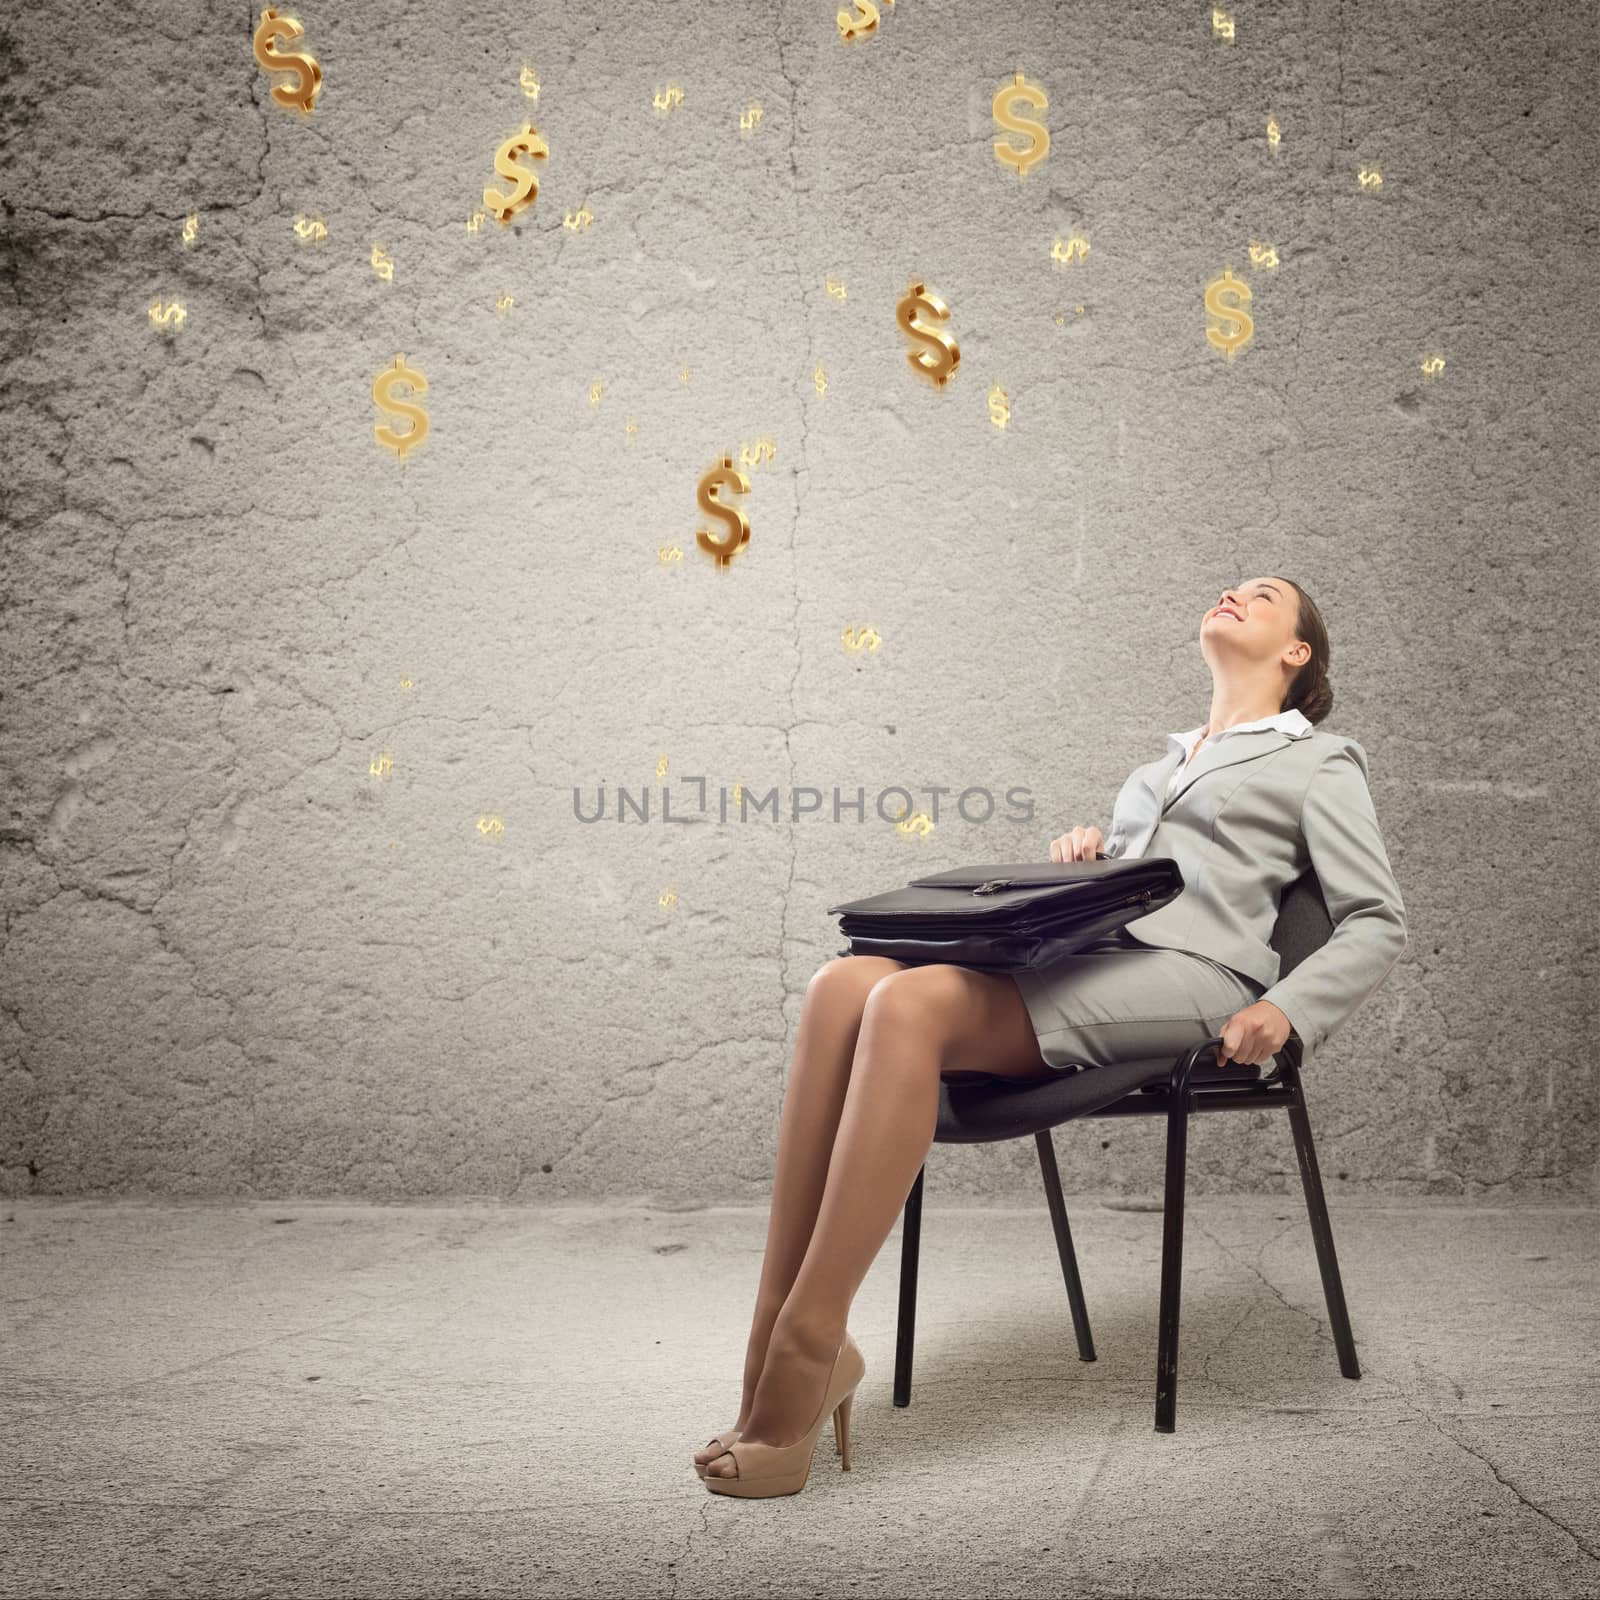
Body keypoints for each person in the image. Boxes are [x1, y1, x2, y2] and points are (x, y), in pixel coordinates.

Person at [695, 575, 1408, 1497]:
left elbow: (1376, 921)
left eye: (1261, 596)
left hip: (1201, 983)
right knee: (843, 986)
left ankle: (807, 1344)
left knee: (908, 1007)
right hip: (1101, 962)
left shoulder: (1321, 762)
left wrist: (1288, 1011)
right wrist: (1091, 868)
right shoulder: (1156, 773)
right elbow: (1140, 898)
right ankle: (771, 1334)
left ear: (1297, 652)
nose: (1233, 594)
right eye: (1229, 587)